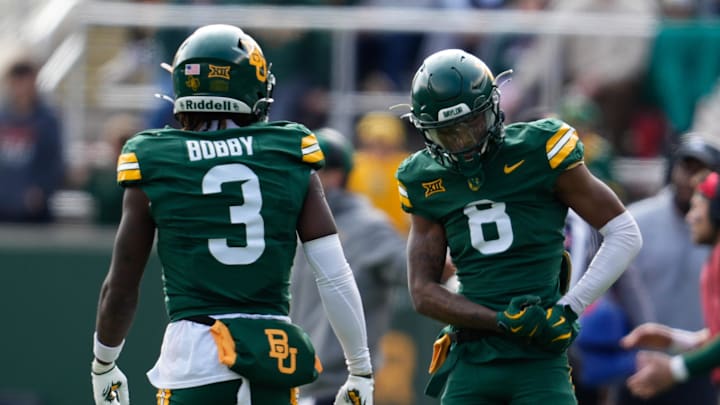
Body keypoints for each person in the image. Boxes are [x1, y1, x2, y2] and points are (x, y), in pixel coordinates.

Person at [90, 24, 374, 405]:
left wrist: (104, 363)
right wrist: (360, 368)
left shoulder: (156, 157)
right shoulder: (288, 151)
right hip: (273, 358)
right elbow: (334, 275)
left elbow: (121, 287)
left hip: (195, 362)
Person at [395, 48, 643, 404]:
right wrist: (500, 320)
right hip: (472, 357)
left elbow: (624, 232)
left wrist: (569, 308)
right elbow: (422, 292)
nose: (464, 144)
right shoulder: (424, 178)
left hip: (538, 359)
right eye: (448, 133)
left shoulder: (539, 150)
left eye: (471, 125)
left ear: (492, 108)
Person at [290, 128, 407, 405]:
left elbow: (416, 274)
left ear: (338, 175)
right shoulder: (290, 223)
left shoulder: (369, 227)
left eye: (319, 171)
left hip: (341, 385)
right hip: (293, 382)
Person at [612, 132, 719, 405]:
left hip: (698, 372)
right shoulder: (636, 221)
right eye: (686, 167)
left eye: (699, 205)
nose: (690, 217)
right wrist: (674, 340)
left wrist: (676, 368)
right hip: (643, 363)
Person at [0, 54, 64, 223]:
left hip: (35, 212)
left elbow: (54, 162)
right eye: (17, 80)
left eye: (25, 80)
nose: (21, 87)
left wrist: (42, 189)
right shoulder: (2, 119)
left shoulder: (48, 121)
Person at [346, 112, 411, 236]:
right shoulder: (355, 164)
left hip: (398, 235)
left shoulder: (407, 165)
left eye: (386, 144)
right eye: (374, 143)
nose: (379, 150)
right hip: (360, 234)